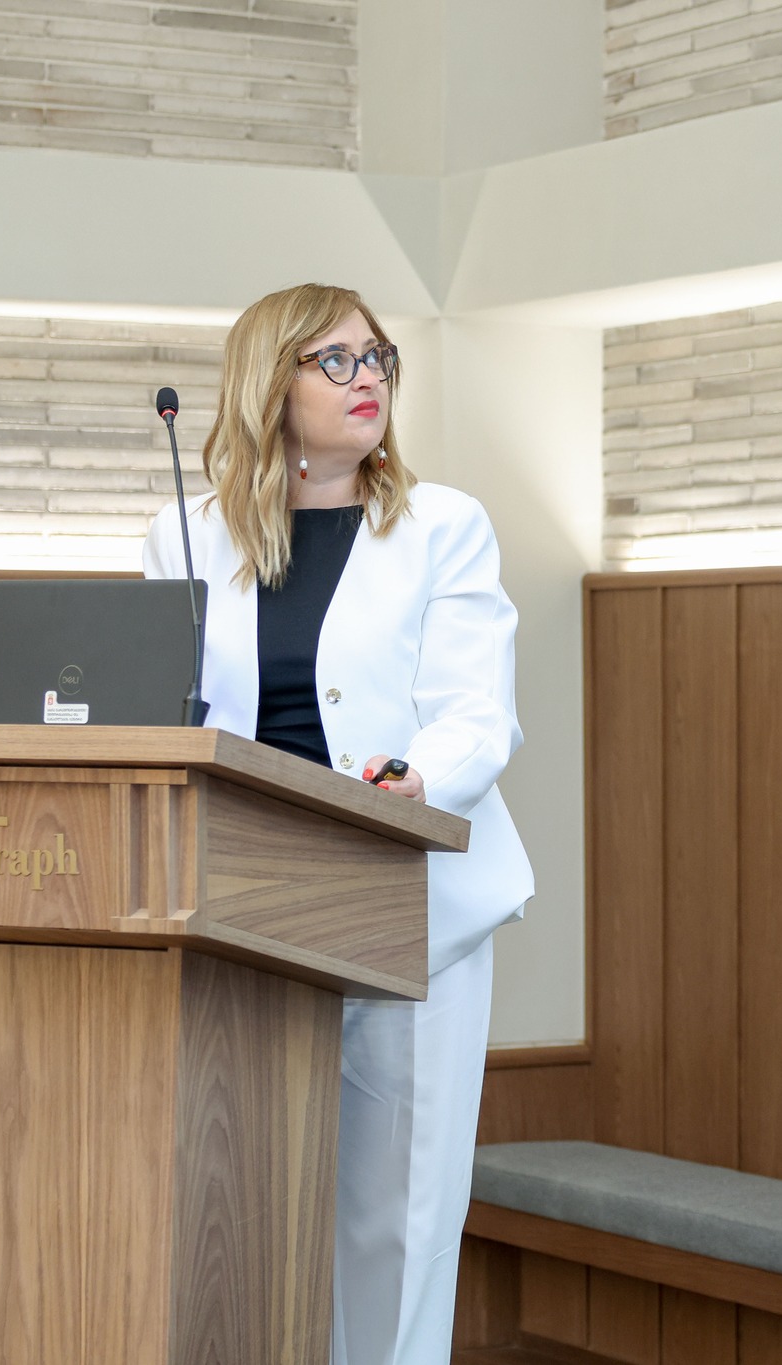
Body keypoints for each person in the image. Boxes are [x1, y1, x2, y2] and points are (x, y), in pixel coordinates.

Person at [141, 282, 533, 1365]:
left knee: (394, 1221)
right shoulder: (185, 534)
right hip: (240, 908)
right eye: (337, 360)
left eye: (378, 358)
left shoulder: (441, 525)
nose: (369, 380)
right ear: (270, 384)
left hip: (401, 901)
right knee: (241, 1207)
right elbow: (160, 711)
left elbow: (478, 714)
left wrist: (419, 778)